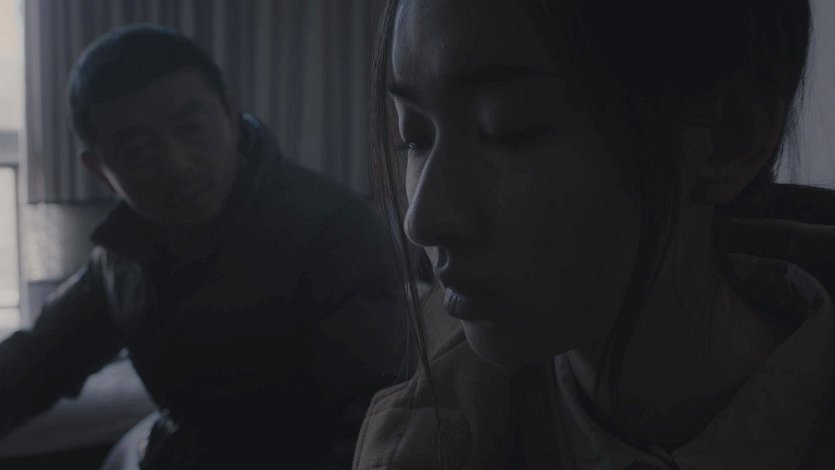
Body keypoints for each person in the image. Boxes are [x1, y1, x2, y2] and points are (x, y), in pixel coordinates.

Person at [353, 0, 835, 468]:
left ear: (730, 135)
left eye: (504, 127)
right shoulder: (418, 444)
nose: (421, 220)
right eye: (414, 137)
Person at [0, 24, 405, 469]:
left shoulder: (333, 229)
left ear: (229, 112)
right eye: (138, 149)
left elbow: (375, 423)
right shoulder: (122, 256)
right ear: (100, 171)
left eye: (191, 128)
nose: (177, 164)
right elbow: (37, 362)